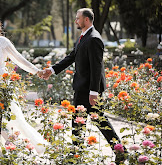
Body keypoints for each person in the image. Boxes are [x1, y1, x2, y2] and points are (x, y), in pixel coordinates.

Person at [41, 8, 125, 164]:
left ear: (86, 20)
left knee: (96, 121)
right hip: (82, 87)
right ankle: (79, 153)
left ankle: (114, 151)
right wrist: (52, 70)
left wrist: (94, 92)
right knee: (83, 120)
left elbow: (96, 67)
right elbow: (71, 56)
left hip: (88, 90)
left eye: (78, 18)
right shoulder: (84, 37)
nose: (75, 21)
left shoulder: (94, 39)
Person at [0, 15, 48, 155]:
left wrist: (36, 71)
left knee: (9, 113)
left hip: (1, 79)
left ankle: (19, 145)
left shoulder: (3, 42)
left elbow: (19, 59)